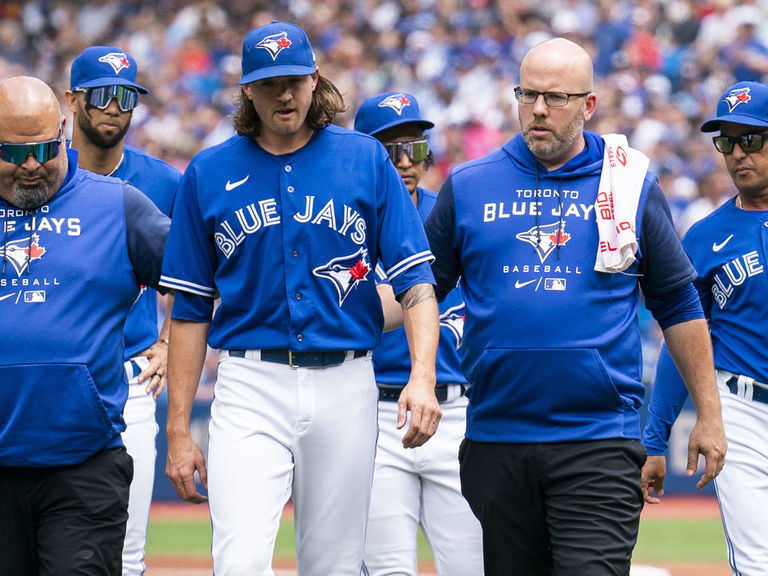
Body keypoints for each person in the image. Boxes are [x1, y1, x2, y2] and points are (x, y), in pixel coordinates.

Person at [423, 37, 727, 576]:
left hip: (598, 441)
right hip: (496, 438)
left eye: (556, 97)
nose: (538, 109)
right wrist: (411, 366)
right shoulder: (468, 185)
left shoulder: (628, 182)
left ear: (588, 105)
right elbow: (421, 290)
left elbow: (677, 301)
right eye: (528, 94)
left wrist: (708, 412)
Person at [159, 21, 441, 576]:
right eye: (269, 83)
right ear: (246, 89)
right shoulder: (209, 172)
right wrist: (176, 432)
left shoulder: (364, 160)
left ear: (315, 80)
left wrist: (422, 374)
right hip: (249, 384)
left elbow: (415, 285)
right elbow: (190, 311)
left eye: (293, 80)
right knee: (237, 561)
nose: (284, 95)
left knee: (332, 566)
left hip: (346, 381)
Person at [0, 76, 169, 576]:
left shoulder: (117, 204)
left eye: (44, 148)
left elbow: (202, 278)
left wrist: (166, 341)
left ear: (64, 131)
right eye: (14, 151)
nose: (31, 165)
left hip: (84, 463)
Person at [354, 92, 483, 576]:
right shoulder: (343, 220)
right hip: (377, 412)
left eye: (417, 149)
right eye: (392, 150)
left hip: (458, 411)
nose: (407, 163)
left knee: (474, 566)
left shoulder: (453, 214)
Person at [63, 45, 181, 576]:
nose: (115, 107)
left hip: (130, 376)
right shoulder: (39, 169)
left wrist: (169, 340)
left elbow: (195, 274)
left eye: (127, 96)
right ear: (72, 100)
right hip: (44, 379)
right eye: (102, 95)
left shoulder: (162, 182)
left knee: (127, 555)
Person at [643, 80, 768, 575]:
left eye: (752, 139)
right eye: (727, 141)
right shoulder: (705, 236)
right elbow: (683, 342)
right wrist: (655, 440)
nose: (738, 153)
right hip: (741, 412)